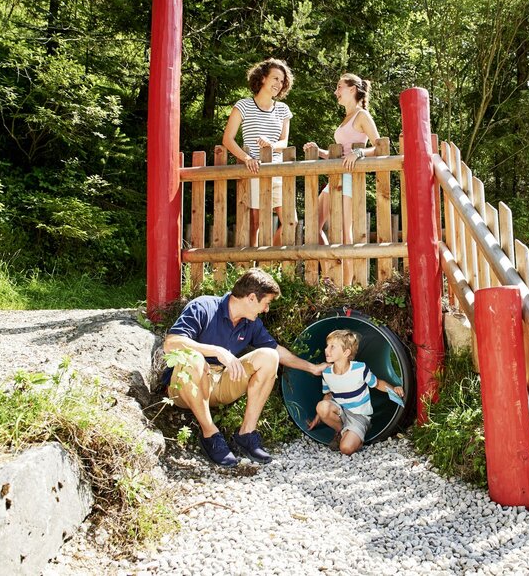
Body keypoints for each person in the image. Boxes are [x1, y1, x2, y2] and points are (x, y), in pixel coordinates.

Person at [162, 268, 327, 467]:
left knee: (269, 356)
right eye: (266, 303)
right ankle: (210, 434)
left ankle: (246, 434)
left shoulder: (251, 324)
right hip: (186, 387)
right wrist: (216, 351)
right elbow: (171, 343)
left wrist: (312, 368)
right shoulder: (203, 306)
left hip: (220, 384)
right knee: (195, 358)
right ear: (251, 298)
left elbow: (278, 351)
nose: (266, 309)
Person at [302, 73, 381, 286]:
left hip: (350, 180)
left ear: (353, 89)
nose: (336, 92)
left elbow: (381, 146)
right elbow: (340, 154)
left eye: (339, 87)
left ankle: (345, 288)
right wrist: (319, 151)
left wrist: (360, 153)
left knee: (346, 235)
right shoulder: (345, 118)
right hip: (334, 179)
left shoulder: (362, 115)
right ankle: (329, 275)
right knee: (312, 226)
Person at [223, 58, 294, 246]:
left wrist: (271, 144)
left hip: (278, 171)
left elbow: (284, 142)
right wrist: (247, 159)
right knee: (256, 224)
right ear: (263, 78)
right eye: (275, 78)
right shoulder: (243, 105)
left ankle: (269, 262)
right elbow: (228, 139)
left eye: (282, 81)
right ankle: (255, 270)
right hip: (254, 171)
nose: (279, 84)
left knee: (290, 221)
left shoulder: (283, 110)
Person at [307, 329, 404, 455]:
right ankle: (341, 432)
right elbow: (328, 395)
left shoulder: (360, 368)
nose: (326, 350)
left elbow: (378, 383)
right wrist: (318, 417)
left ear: (346, 352)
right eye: (327, 346)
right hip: (340, 412)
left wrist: (394, 389)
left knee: (345, 449)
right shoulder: (326, 373)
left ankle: (353, 435)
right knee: (321, 406)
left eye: (332, 347)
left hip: (359, 416)